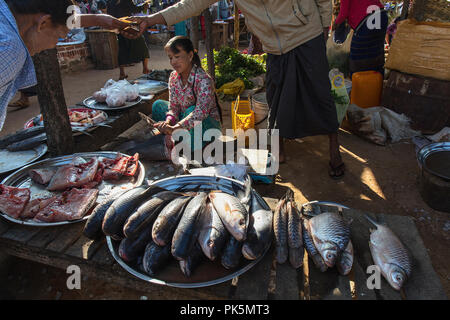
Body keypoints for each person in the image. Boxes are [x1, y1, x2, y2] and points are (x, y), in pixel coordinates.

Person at [122, 0, 346, 179]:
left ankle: (334, 150)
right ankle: (280, 150)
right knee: (276, 98)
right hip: (274, 46)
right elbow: (190, 4)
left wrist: (324, 26)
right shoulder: (174, 78)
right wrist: (149, 20)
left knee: (319, 94)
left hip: (306, 33)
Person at [0, 0, 131, 131]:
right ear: (43, 23)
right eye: (58, 37)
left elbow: (60, 21)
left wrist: (98, 19)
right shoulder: (10, 48)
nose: (53, 45)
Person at [151, 36, 222, 152]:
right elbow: (173, 107)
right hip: (184, 121)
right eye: (170, 58)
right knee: (158, 105)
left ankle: (193, 145)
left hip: (208, 126)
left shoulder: (204, 79)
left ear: (190, 56)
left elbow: (200, 113)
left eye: (177, 57)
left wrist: (175, 128)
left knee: (191, 110)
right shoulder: (173, 77)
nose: (173, 62)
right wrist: (168, 122)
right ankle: (175, 138)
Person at [333, 0, 388, 76]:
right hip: (381, 15)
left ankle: (360, 84)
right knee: (376, 54)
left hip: (368, 20)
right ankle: (376, 84)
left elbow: (343, 13)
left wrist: (335, 24)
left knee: (358, 58)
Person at [107, 0, 150, 80]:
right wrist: (143, 6)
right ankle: (145, 68)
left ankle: (122, 74)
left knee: (122, 48)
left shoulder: (111, 2)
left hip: (119, 26)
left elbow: (109, 15)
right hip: (128, 24)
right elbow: (133, 9)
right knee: (142, 45)